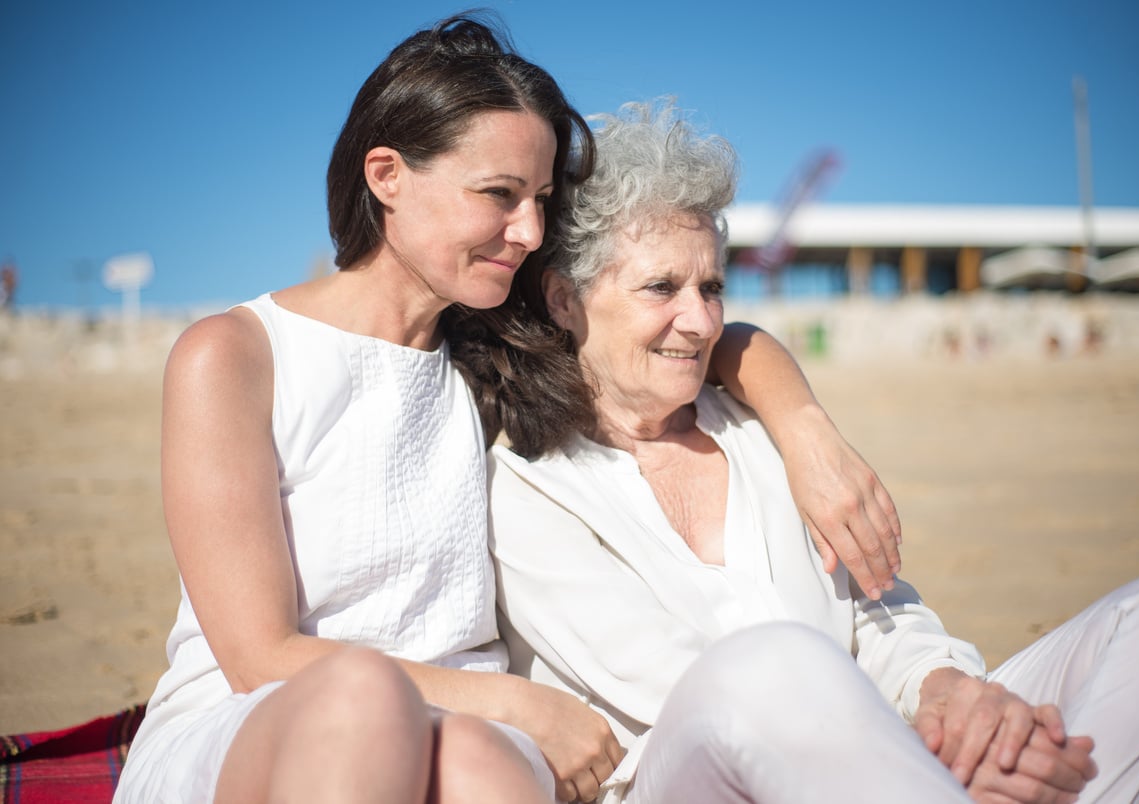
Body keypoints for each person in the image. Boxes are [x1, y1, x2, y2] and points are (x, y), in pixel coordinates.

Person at [115, 15, 907, 804]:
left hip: (465, 733)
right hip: (262, 726)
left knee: (483, 770)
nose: (529, 231)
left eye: (539, 200)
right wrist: (516, 702)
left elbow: (703, 337)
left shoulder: (495, 353)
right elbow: (258, 658)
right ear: (387, 175)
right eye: (499, 195)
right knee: (366, 703)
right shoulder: (237, 356)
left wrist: (803, 428)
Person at [487, 101, 1139, 804]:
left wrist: (947, 696)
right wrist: (928, 758)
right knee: (768, 663)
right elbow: (687, 689)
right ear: (562, 299)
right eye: (661, 288)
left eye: (711, 286)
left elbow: (879, 614)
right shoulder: (524, 482)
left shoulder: (760, 430)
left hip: (886, 760)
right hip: (687, 779)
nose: (702, 320)